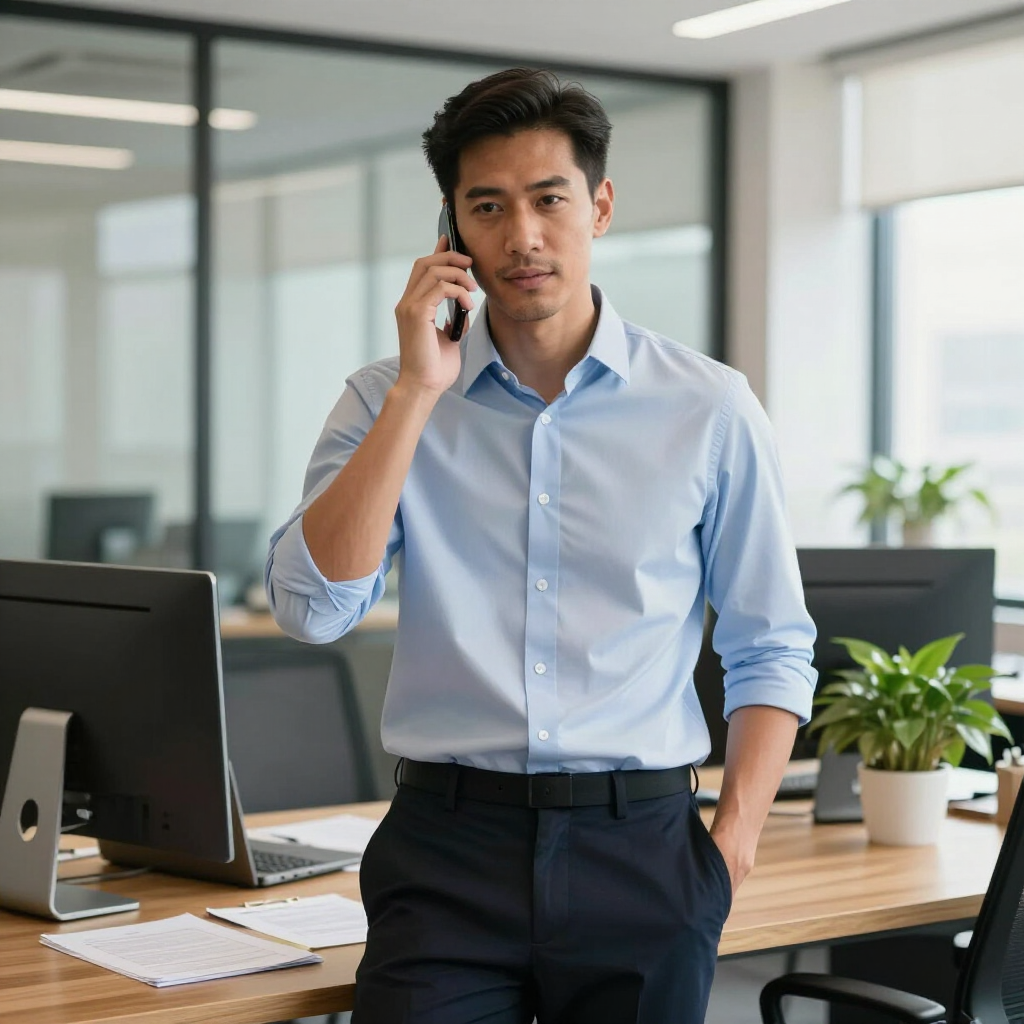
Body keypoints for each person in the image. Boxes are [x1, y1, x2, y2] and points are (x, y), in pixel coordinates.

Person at [266, 67, 816, 1024]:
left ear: (598, 207)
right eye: (487, 207)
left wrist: (730, 843)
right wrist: (415, 392)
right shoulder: (382, 400)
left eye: (548, 199)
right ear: (452, 235)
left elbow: (771, 643)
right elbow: (314, 611)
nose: (521, 236)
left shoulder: (709, 407)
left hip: (642, 848)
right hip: (446, 850)